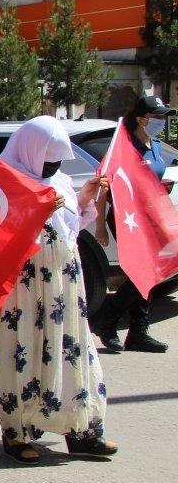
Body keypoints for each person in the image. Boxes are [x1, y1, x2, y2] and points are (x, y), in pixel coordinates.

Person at [0, 116, 117, 463]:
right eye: (48, 160)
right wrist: (34, 211)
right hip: (21, 287)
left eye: (58, 160)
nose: (53, 167)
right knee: (22, 351)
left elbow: (69, 228)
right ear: (30, 151)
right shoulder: (2, 181)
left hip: (63, 282)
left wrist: (84, 198)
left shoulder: (59, 181)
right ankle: (17, 434)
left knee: (71, 351)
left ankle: (82, 430)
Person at [91, 95, 176, 353]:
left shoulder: (156, 145)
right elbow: (103, 187)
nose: (162, 121)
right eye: (157, 117)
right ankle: (108, 319)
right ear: (141, 119)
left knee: (151, 271)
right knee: (144, 271)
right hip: (126, 218)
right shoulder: (123, 147)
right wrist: (99, 225)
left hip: (151, 218)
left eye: (163, 117)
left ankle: (138, 332)